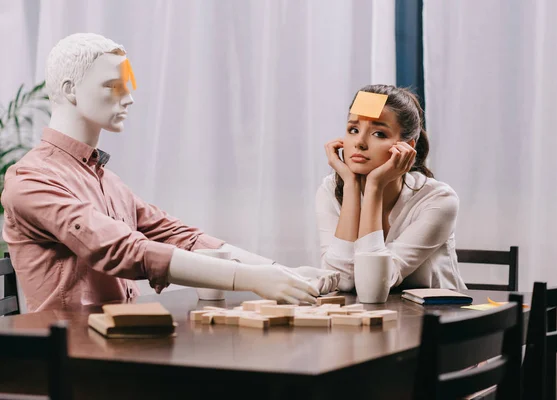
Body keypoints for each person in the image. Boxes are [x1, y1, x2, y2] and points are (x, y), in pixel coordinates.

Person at [1, 32, 339, 312]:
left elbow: (181, 236)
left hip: (122, 346)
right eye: (113, 85)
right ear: (70, 89)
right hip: (68, 363)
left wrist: (278, 271)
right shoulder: (30, 180)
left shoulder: (106, 181)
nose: (129, 98)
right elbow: (122, 249)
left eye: (128, 85)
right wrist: (252, 280)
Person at [316, 84, 466, 292]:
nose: (359, 142)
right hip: (367, 318)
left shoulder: (439, 199)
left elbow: (376, 283)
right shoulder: (330, 189)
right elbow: (343, 281)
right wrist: (350, 186)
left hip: (435, 318)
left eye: (379, 134)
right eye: (353, 129)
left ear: (407, 147)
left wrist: (375, 187)